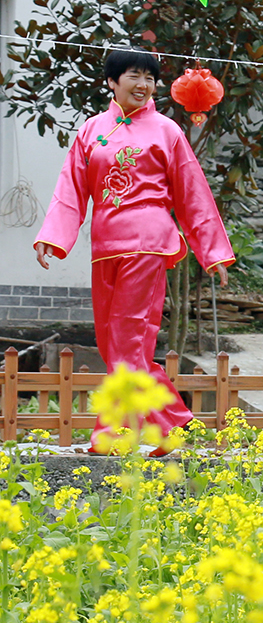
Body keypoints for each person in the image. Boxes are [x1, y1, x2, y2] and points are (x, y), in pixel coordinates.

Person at [34, 46, 233, 453]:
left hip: (147, 243)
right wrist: (52, 237)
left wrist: (212, 251)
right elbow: (71, 189)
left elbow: (192, 193)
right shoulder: (92, 130)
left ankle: (118, 432)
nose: (143, 85)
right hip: (105, 246)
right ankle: (169, 424)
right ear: (112, 81)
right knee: (115, 345)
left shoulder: (166, 131)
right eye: (134, 76)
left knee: (127, 341)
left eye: (150, 78)